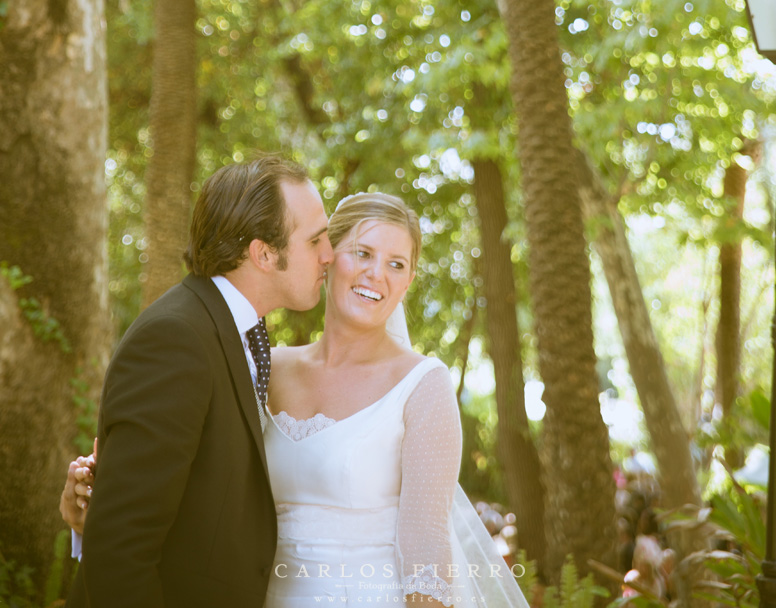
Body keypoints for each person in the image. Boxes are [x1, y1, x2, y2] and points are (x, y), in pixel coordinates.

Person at [64, 191, 529, 608]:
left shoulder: (423, 385)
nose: (377, 274)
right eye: (362, 253)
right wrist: (94, 509)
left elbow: (427, 558)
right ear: (328, 259)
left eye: (397, 263)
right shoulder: (264, 366)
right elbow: (197, 484)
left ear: (408, 282)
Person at [64, 153, 333, 608]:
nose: (331, 255)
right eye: (316, 241)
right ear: (264, 254)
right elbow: (121, 547)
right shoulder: (176, 340)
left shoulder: (242, 333)